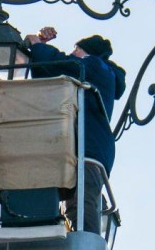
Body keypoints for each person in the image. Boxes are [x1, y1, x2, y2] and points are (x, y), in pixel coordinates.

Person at [25, 27, 126, 233]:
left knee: (80, 201)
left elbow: (63, 65)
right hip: (91, 148)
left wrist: (36, 45)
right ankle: (78, 236)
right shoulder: (100, 72)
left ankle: (85, 242)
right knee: (76, 200)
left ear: (84, 51)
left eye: (75, 49)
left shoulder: (95, 65)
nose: (72, 53)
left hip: (88, 148)